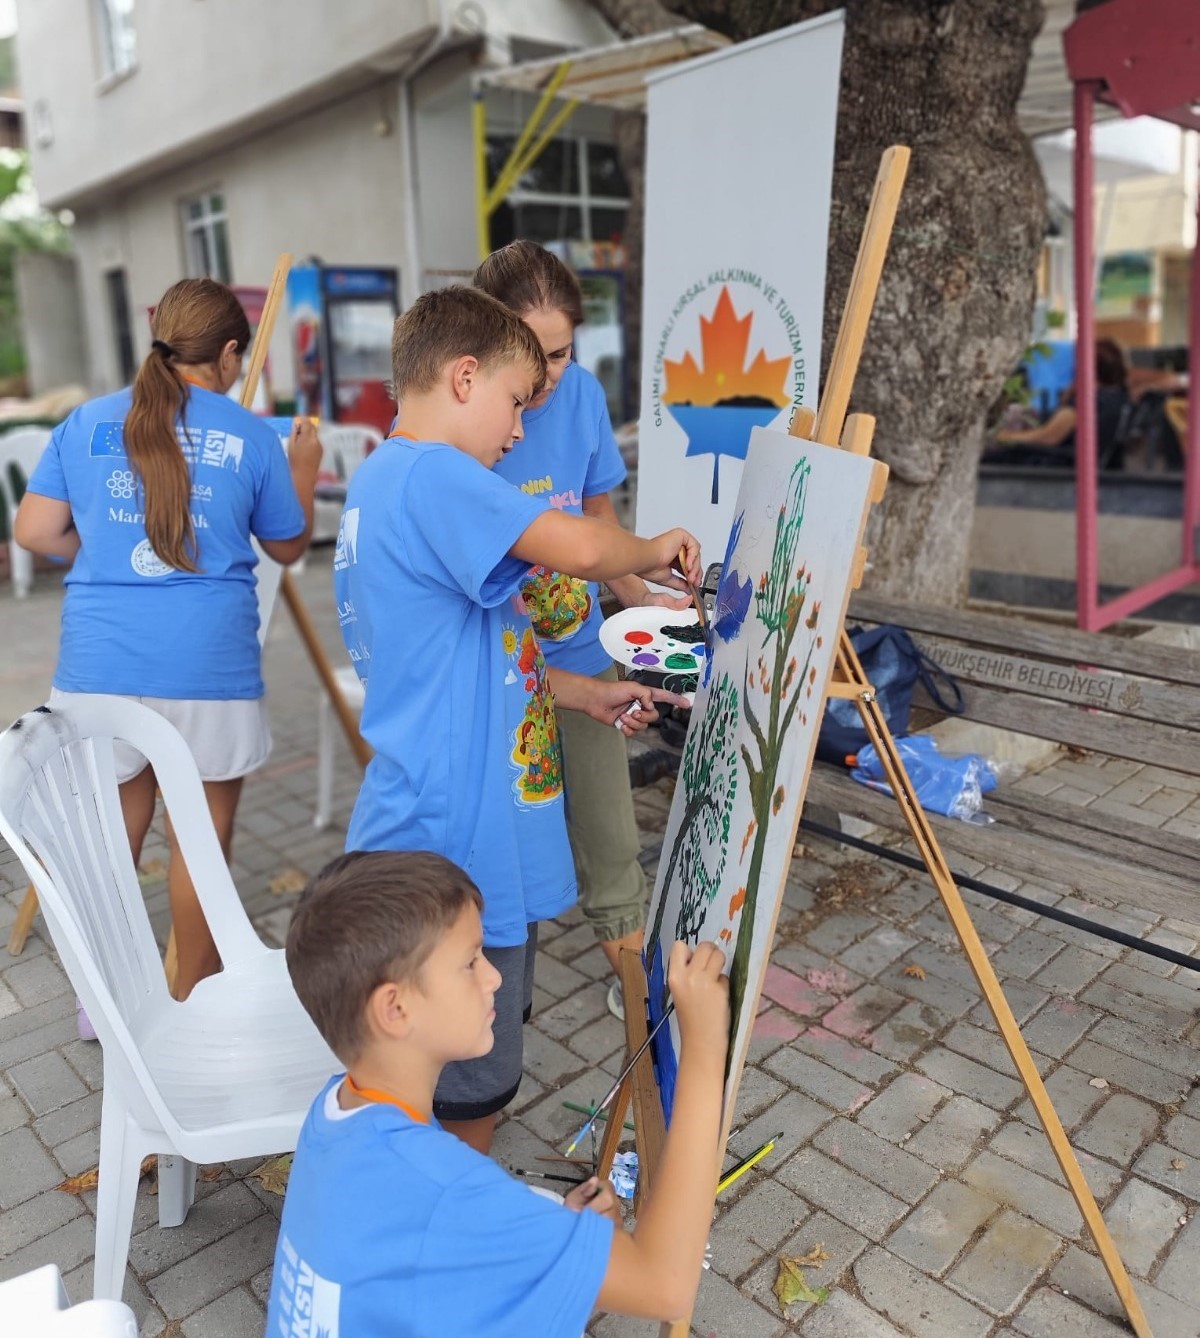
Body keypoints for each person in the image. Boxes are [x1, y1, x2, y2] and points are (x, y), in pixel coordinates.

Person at [332, 285, 700, 1154]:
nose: (520, 430)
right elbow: (581, 544)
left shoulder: (384, 481)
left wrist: (583, 694)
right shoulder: (433, 474)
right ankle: (444, 1219)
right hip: (457, 845)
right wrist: (654, 548)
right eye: (514, 402)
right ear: (464, 378)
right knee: (465, 1083)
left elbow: (473, 660)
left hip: (437, 825)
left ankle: (421, 1200)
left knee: (438, 1069)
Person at [267, 849, 729, 1338]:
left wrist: (552, 1240)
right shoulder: (449, 1194)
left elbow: (422, 1249)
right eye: (470, 962)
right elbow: (664, 1285)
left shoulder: (335, 1111)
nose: (494, 977)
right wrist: (703, 1047)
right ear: (396, 1009)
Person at [15, 278, 321, 1005]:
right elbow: (286, 547)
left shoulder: (86, 422)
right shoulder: (248, 435)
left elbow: (33, 531)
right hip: (207, 666)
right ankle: (190, 1000)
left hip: (98, 664)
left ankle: (106, 1003)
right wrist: (303, 472)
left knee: (112, 836)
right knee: (200, 841)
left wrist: (102, 552)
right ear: (229, 353)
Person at [475, 241, 688, 1022]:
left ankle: (646, 1012)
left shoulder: (582, 397)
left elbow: (598, 525)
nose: (546, 377)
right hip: (497, 676)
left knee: (612, 848)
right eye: (531, 358)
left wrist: (641, 600)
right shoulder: (461, 429)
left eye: (561, 353)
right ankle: (494, 1016)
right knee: (501, 866)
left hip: (579, 658)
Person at [988, 338, 1131, 466]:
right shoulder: (1116, 398)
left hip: (1054, 464)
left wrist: (1003, 437)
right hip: (1073, 462)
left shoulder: (1086, 401)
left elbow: (1048, 437)